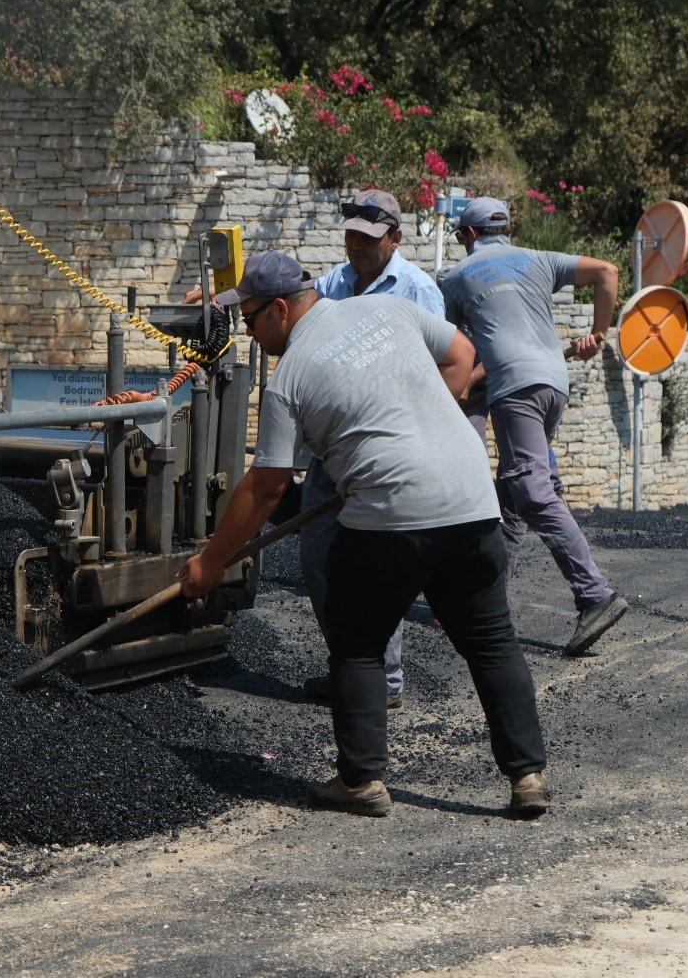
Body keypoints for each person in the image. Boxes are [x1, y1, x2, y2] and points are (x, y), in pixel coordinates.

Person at [177, 249, 550, 818]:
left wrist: (208, 565)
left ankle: (360, 781)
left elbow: (266, 489)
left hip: (391, 517)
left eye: (250, 320)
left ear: (280, 310)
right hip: (470, 498)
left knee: (356, 640)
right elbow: (463, 353)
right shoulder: (389, 309)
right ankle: (527, 777)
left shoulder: (289, 378)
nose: (249, 333)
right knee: (491, 639)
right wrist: (422, 428)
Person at [184, 189, 446, 710]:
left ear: (395, 236)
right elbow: (282, 296)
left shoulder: (418, 291)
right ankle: (353, 663)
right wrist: (218, 298)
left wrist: (211, 560)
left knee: (374, 565)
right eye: (349, 234)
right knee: (320, 554)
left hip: (386, 450)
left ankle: (381, 677)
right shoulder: (334, 283)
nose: (354, 245)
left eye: (366, 238)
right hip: (333, 450)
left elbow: (445, 363)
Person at [440, 196, 628, 657]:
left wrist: (457, 394)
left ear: (468, 236)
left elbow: (455, 356)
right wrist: (598, 333)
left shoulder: (457, 277)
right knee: (511, 502)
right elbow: (607, 272)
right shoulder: (538, 259)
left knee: (529, 488)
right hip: (552, 386)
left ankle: (594, 594)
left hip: (516, 391)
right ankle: (490, 602)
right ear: (506, 229)